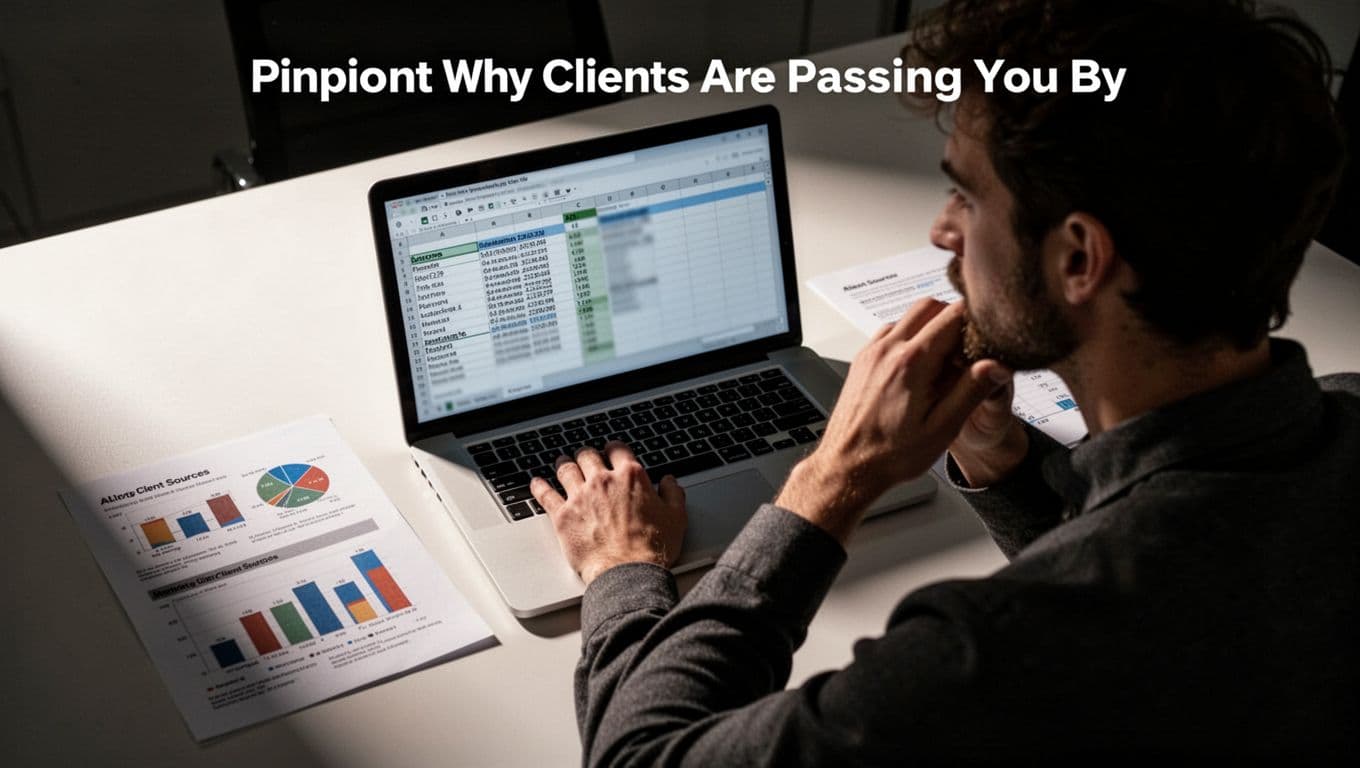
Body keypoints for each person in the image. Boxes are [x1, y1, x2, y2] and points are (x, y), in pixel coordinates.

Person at [528, 0, 1358, 762]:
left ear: (1078, 258)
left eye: (966, 194)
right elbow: (1163, 582)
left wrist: (808, 489)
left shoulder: (990, 655)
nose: (942, 230)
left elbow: (637, 758)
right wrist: (1004, 463)